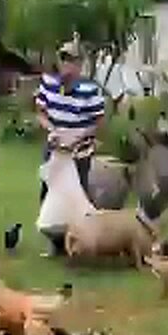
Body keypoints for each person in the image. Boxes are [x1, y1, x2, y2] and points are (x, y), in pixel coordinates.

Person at [34, 37, 107, 256]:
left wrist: (80, 136)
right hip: (55, 147)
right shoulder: (49, 84)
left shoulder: (90, 90)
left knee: (77, 196)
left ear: (80, 65)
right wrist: (51, 130)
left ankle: (80, 242)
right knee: (48, 193)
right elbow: (40, 112)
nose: (67, 66)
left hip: (79, 150)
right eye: (64, 60)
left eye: (72, 61)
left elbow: (99, 121)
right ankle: (55, 243)